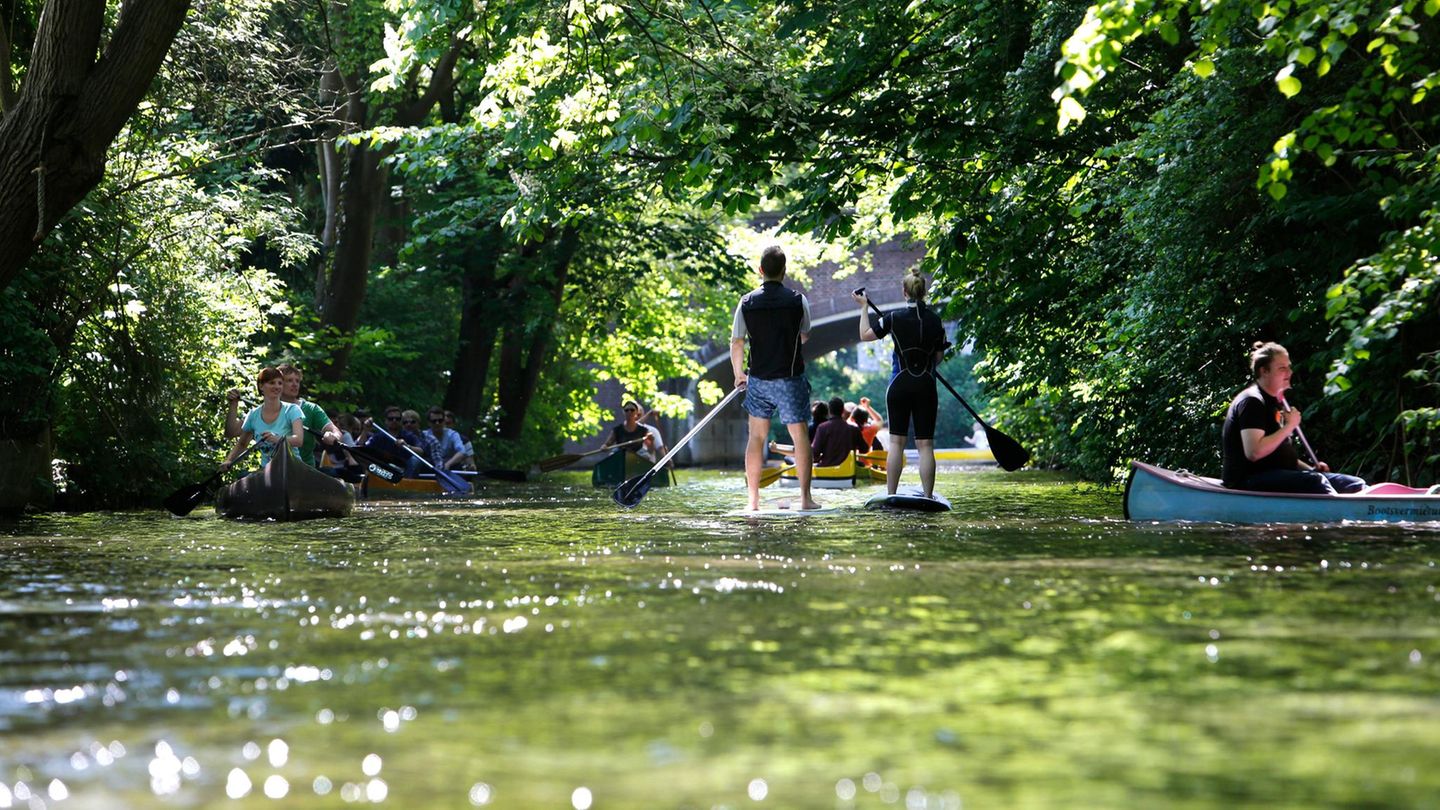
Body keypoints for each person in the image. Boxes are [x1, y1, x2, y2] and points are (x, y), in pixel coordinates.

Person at [731, 245, 820, 511]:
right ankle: (805, 499)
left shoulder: (746, 302)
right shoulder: (797, 300)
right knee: (800, 437)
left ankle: (753, 501)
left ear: (760, 271)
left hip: (758, 378)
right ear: (784, 271)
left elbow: (737, 342)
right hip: (790, 378)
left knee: (756, 438)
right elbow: (804, 335)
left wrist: (739, 374)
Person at [1221, 342, 1366, 494]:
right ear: (1264, 371)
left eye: (1289, 367)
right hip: (1246, 480)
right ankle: (1343, 513)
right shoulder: (1252, 402)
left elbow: (1280, 456)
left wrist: (1311, 469)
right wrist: (1289, 426)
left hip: (1274, 475)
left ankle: (1376, 505)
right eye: (1282, 368)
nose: (1289, 372)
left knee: (1354, 484)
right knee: (1316, 482)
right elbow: (1254, 452)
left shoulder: (1275, 403)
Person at [854, 270, 949, 498]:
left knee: (896, 442)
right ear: (923, 292)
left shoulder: (893, 317)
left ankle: (891, 494)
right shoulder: (935, 321)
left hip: (899, 385)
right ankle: (928, 496)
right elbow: (937, 358)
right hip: (926, 386)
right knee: (925, 445)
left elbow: (865, 335)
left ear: (904, 292)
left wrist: (864, 307)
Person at [220, 367, 303, 471]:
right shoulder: (254, 415)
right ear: (261, 386)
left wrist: (278, 439)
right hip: (267, 473)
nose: (277, 386)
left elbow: (298, 440)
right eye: (272, 383)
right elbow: (242, 443)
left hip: (293, 469)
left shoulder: (292, 410)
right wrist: (229, 460)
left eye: (280, 383)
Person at [811, 395, 867, 466]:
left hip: (827, 469)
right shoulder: (854, 429)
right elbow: (864, 449)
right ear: (843, 410)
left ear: (829, 411)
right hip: (849, 469)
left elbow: (815, 452)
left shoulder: (822, 428)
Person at [421, 406, 468, 472]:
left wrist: (448, 464)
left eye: (440, 421)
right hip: (430, 466)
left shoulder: (452, 434)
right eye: (434, 421)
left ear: (444, 421)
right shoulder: (424, 435)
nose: (437, 423)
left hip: (449, 467)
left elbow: (462, 452)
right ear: (429, 423)